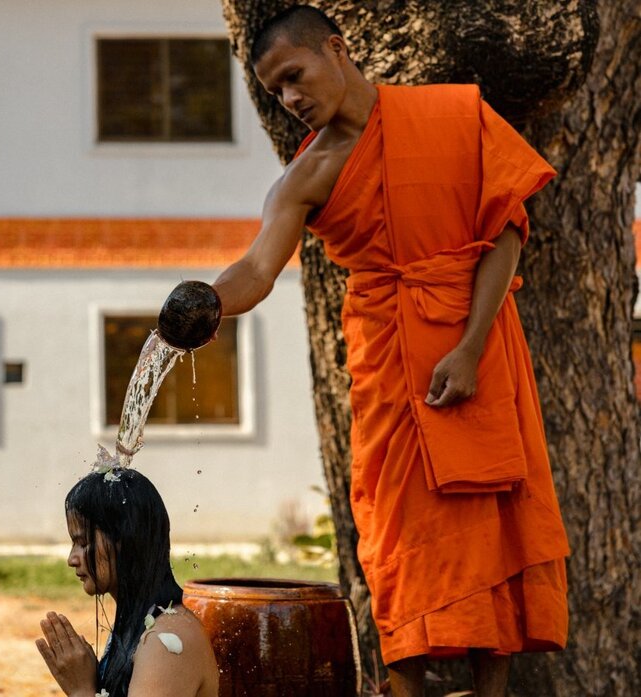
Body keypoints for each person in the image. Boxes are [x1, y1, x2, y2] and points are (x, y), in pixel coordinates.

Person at [206, 5, 570, 697]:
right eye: (275, 89)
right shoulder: (304, 176)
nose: (289, 99)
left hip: (478, 345)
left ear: (335, 49)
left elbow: (505, 230)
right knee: (395, 532)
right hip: (388, 363)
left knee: (491, 518)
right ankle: (401, 687)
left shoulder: (453, 116)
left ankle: (491, 690)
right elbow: (255, 270)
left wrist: (467, 348)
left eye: (294, 75)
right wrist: (203, 302)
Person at [35, 468, 219, 697]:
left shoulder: (165, 641)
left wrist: (81, 689)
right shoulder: (140, 624)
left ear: (124, 541)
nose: (72, 559)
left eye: (83, 542)